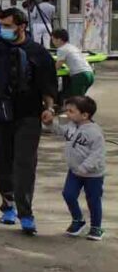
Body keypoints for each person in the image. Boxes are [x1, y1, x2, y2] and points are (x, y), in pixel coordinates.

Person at [0, 8, 58, 235]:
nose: (4, 30)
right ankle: (7, 204)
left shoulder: (38, 53)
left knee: (25, 163)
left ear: (22, 26)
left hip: (29, 114)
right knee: (3, 159)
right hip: (0, 111)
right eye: (2, 26)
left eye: (9, 26)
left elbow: (48, 84)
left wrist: (49, 108)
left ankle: (26, 212)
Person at [44, 96, 105, 241]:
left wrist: (85, 167)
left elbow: (98, 154)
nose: (67, 114)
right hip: (74, 171)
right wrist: (50, 124)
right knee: (68, 194)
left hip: (93, 175)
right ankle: (78, 220)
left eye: (71, 111)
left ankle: (96, 227)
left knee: (93, 200)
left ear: (85, 115)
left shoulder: (94, 132)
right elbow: (60, 131)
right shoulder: (72, 126)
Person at [52, 29, 94, 96]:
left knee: (76, 99)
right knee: (78, 97)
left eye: (53, 39)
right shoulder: (72, 47)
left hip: (80, 76)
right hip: (90, 74)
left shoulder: (61, 49)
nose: (52, 42)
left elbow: (58, 66)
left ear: (59, 40)